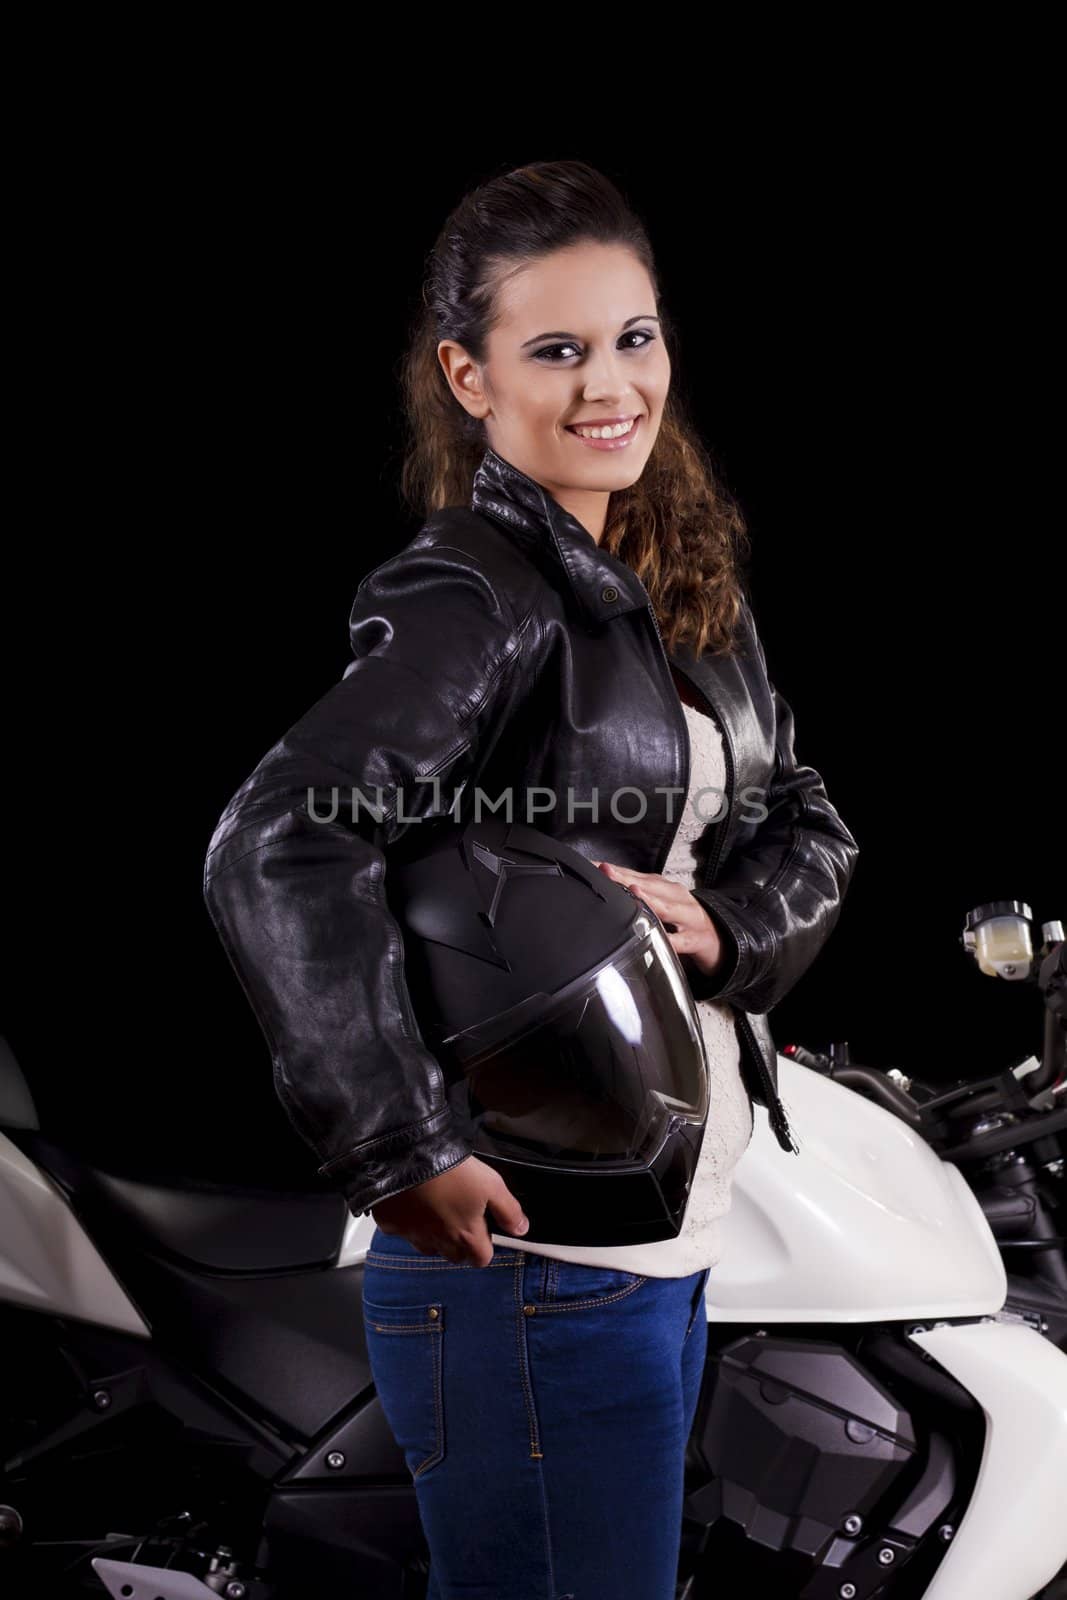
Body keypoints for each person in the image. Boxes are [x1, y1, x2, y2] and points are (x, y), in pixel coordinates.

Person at [202, 159, 859, 1600]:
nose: (609, 383)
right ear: (469, 376)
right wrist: (400, 1151)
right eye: (555, 350)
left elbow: (804, 809)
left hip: (667, 1231)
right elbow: (279, 841)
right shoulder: (476, 591)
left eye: (634, 337)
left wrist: (736, 924)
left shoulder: (687, 582)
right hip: (533, 1260)